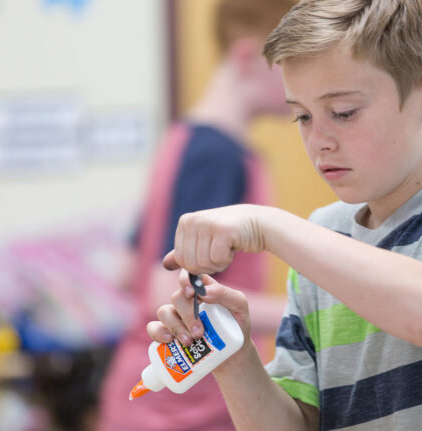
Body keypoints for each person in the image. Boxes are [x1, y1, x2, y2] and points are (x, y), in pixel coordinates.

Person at [148, 0, 422, 429]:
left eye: (343, 112)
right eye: (302, 116)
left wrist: (271, 225)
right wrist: (236, 359)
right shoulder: (322, 237)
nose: (319, 140)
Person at [97, 0, 295, 430]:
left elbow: (126, 270)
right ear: (248, 55)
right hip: (184, 407)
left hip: (145, 396)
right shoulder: (218, 156)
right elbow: (164, 285)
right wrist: (301, 310)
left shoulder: (182, 140)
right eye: (294, 61)